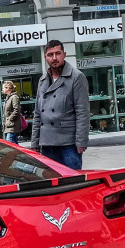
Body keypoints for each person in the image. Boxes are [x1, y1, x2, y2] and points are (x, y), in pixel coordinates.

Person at [30, 40, 89, 169]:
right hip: (46, 144)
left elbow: (82, 112)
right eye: (50, 55)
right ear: (45, 57)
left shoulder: (77, 77)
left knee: (72, 181)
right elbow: (38, 114)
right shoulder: (43, 80)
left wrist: (81, 141)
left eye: (58, 53)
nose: (54, 58)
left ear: (64, 55)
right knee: (51, 183)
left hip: (68, 144)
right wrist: (35, 142)